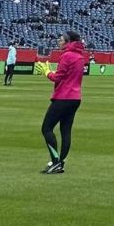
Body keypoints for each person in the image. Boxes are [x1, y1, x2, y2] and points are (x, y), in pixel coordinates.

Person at [35, 30, 85, 174]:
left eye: (61, 39)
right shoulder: (80, 56)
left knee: (46, 128)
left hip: (63, 97)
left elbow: (57, 78)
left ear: (68, 41)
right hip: (75, 98)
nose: (59, 40)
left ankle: (55, 161)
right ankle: (60, 163)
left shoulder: (67, 55)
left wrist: (46, 72)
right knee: (66, 131)